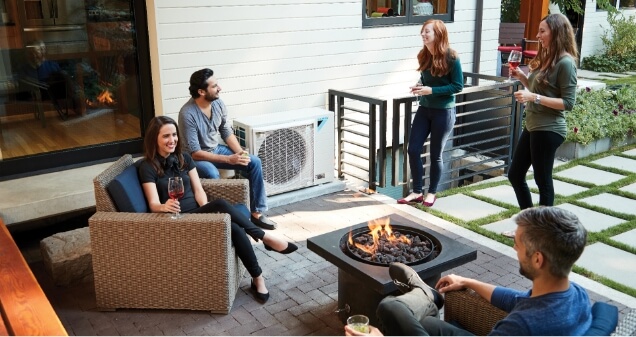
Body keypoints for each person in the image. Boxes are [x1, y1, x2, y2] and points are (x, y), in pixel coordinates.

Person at [344, 206, 591, 336]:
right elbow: (517, 300)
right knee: (421, 321)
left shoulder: (521, 327)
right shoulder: (575, 295)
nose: (515, 248)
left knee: (390, 307)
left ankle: (426, 295)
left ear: (537, 259)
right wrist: (468, 281)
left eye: (517, 245)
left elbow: (522, 313)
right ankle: (428, 296)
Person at [138, 116, 298, 304]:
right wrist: (164, 206)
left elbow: (199, 191)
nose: (172, 140)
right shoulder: (147, 166)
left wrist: (207, 212)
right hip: (179, 220)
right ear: (154, 138)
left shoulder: (184, 158)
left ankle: (258, 278)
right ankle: (264, 237)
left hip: (199, 214)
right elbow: (153, 204)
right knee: (223, 205)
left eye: (174, 135)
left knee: (234, 225)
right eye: (166, 136)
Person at [178, 68, 278, 230]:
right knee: (211, 173)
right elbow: (194, 152)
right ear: (201, 91)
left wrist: (240, 153)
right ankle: (217, 219)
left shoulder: (218, 103)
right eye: (215, 86)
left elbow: (226, 132)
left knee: (254, 162)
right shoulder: (187, 113)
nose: (220, 88)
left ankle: (256, 213)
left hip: (215, 149)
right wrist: (229, 159)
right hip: (195, 158)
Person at [507, 13, 578, 211]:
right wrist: (522, 77)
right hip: (534, 125)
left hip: (549, 129)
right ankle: (530, 222)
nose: (537, 35)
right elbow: (540, 88)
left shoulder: (566, 63)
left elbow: (568, 103)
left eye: (542, 31)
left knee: (543, 181)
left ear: (556, 32)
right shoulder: (548, 57)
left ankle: (544, 231)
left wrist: (533, 98)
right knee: (515, 175)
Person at [397, 20, 463, 207]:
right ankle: (417, 191)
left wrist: (431, 91)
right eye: (423, 32)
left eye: (427, 32)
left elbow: (458, 86)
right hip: (425, 109)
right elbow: (426, 78)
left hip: (444, 112)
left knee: (435, 154)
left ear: (438, 34)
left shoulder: (452, 57)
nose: (424, 35)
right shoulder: (423, 55)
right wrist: (419, 86)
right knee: (413, 149)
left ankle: (431, 193)